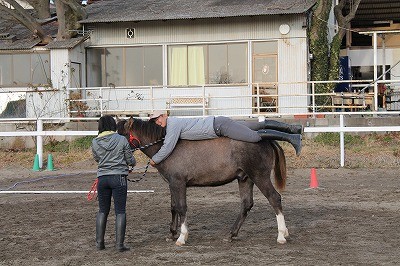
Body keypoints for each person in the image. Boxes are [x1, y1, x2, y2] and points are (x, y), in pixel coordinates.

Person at [148, 111, 302, 166]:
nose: (157, 122)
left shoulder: (172, 124)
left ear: (165, 115)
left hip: (221, 127)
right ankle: (293, 128)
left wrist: (155, 159)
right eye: (155, 121)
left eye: (158, 118)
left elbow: (168, 146)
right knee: (257, 125)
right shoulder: (172, 124)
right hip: (220, 123)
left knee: (253, 137)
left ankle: (291, 138)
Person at [91, 115, 136, 252]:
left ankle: (100, 243)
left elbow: (97, 159)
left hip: (103, 179)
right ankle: (119, 245)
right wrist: (131, 164)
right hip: (118, 178)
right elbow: (130, 159)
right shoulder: (121, 139)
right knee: (120, 211)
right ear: (113, 125)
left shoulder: (95, 142)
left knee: (103, 210)